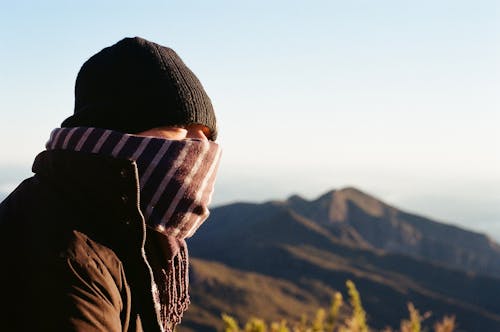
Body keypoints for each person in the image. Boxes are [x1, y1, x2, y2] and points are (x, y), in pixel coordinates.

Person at [0, 36, 222, 332]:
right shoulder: (66, 254)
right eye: (177, 127)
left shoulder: (123, 225)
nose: (200, 146)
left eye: (206, 134)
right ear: (114, 133)